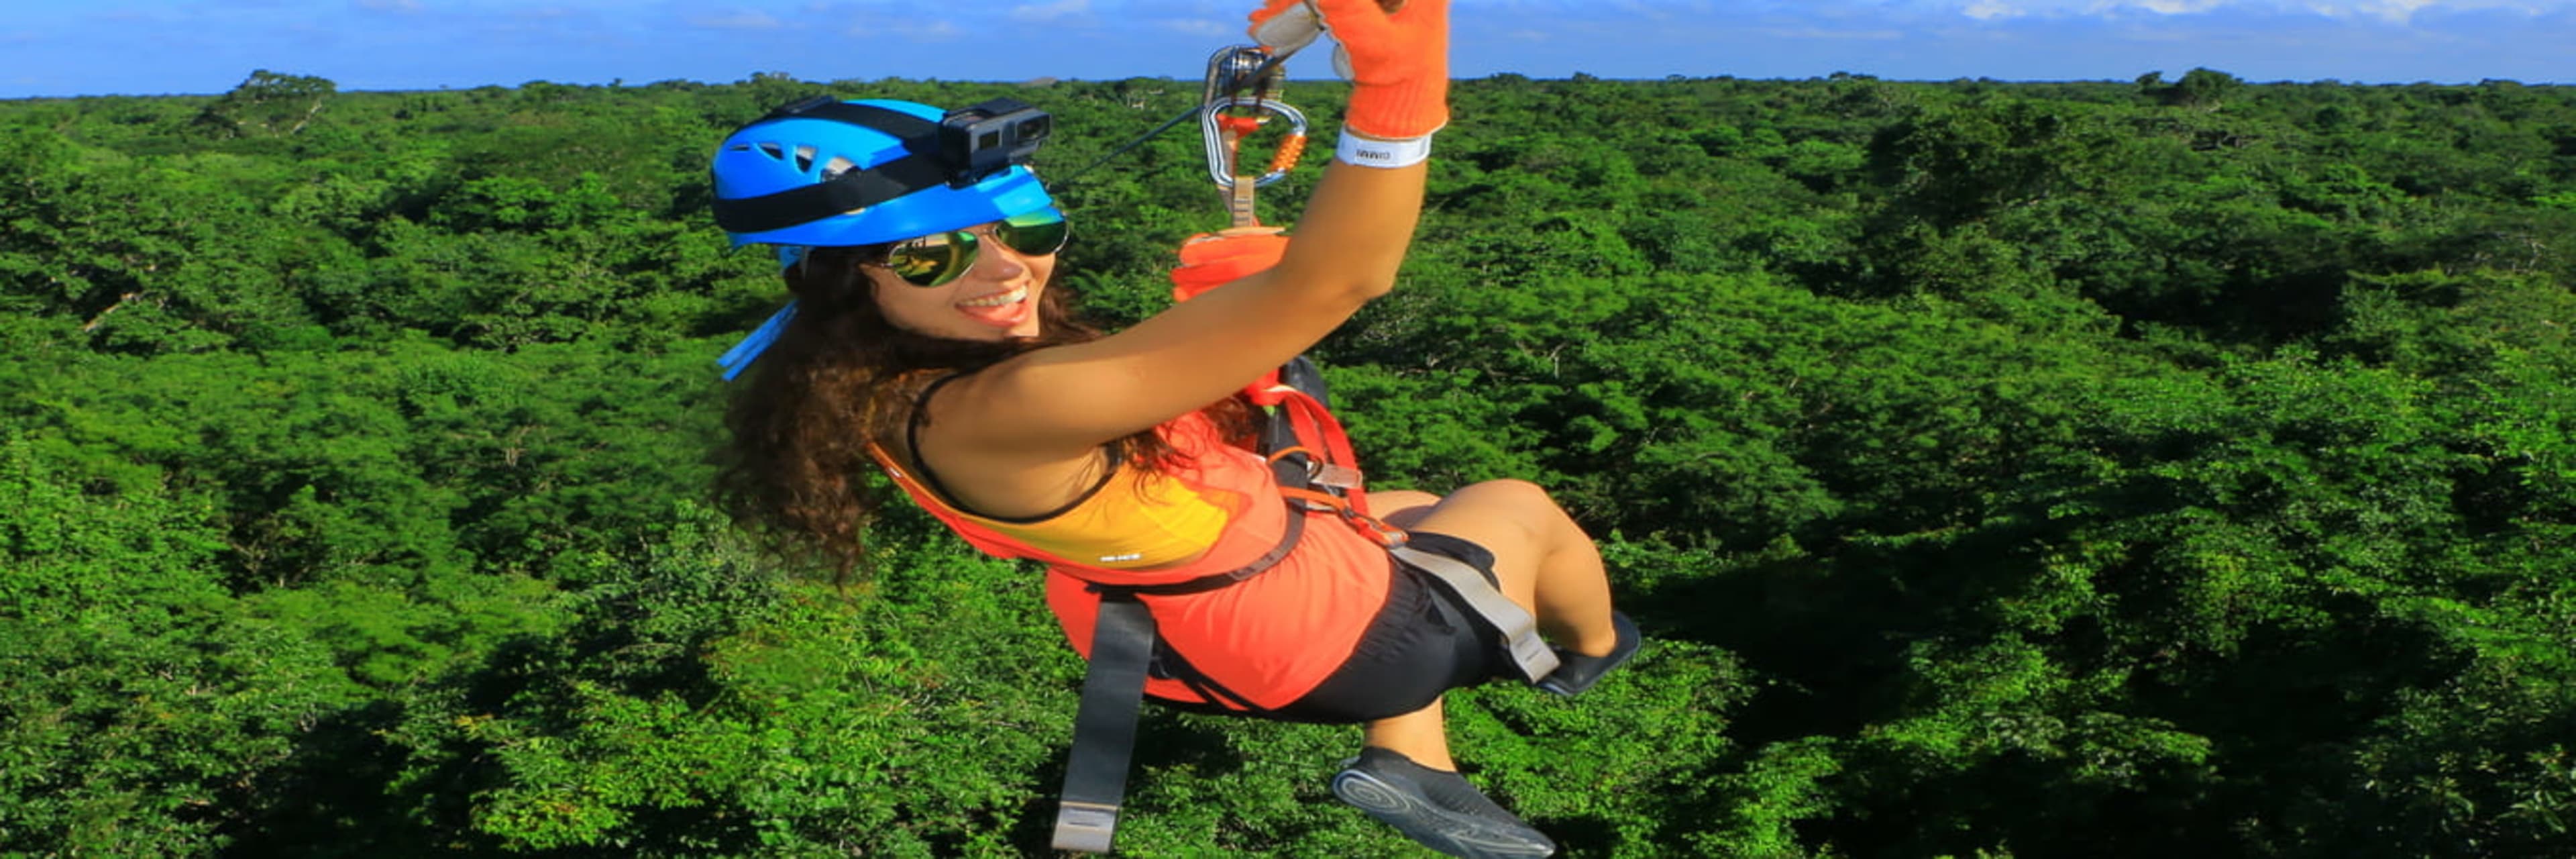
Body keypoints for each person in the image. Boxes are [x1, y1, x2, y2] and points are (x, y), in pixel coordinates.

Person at [705, 1, 1635, 856]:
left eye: (1023, 226)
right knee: (1517, 506)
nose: (1002, 270)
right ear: (841, 283)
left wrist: (1227, 337)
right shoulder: (1004, 407)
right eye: (931, 252)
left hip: (1168, 616)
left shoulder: (876, 384)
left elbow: (1149, 442)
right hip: (1308, 641)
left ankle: (1412, 759)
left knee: (1411, 508)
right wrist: (1398, 99)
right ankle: (1587, 654)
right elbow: (1342, 281)